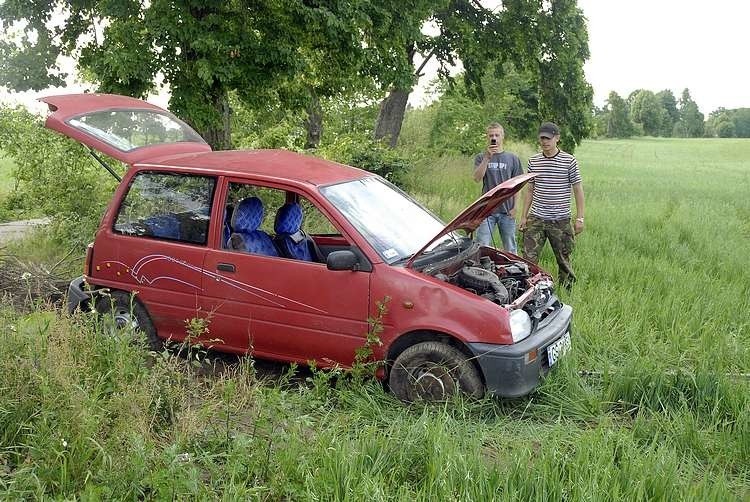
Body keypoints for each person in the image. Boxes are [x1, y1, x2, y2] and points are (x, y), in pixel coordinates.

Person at [519, 122, 585, 289]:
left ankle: (566, 292)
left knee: (563, 260)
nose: (544, 141)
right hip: (537, 219)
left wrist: (580, 218)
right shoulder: (534, 161)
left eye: (548, 138)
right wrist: (523, 216)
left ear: (557, 138)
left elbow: (578, 190)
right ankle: (528, 289)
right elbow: (530, 190)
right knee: (527, 260)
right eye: (542, 138)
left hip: (560, 220)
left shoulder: (569, 161)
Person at [473, 122, 523, 253]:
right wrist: (487, 158)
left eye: (496, 135)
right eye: (491, 135)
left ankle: (514, 270)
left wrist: (515, 207)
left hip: (507, 210)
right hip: (486, 210)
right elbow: (477, 178)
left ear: (502, 136)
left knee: (510, 246)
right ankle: (481, 270)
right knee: (482, 244)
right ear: (487, 137)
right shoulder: (480, 157)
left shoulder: (512, 158)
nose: (493, 138)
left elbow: (518, 185)